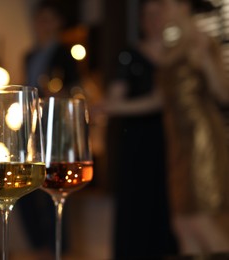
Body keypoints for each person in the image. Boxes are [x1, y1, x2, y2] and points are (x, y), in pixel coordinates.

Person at [101, 0, 179, 258]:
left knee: (169, 205)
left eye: (159, 14)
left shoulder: (179, 55)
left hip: (173, 141)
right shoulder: (130, 55)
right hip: (138, 141)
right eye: (148, 15)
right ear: (142, 20)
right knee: (138, 204)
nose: (154, 20)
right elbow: (114, 102)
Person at [158, 0, 229, 254]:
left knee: (202, 220)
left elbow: (223, 93)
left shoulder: (203, 40)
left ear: (183, 6)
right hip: (177, 138)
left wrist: (206, 62)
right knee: (181, 223)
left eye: (164, 5)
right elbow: (160, 100)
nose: (159, 10)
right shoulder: (170, 46)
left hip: (202, 137)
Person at [16, 1, 81, 258]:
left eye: (49, 19)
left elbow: (76, 92)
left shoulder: (65, 54)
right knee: (25, 185)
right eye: (40, 19)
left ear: (58, 23)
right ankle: (39, 246)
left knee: (54, 185)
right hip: (30, 125)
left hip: (55, 125)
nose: (43, 24)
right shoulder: (29, 55)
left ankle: (56, 248)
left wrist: (55, 93)